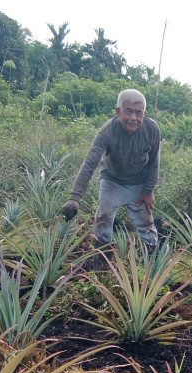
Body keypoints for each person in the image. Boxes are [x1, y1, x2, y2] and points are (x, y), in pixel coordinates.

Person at [61, 88, 160, 251]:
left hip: (139, 183)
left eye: (138, 113)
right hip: (112, 181)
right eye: (128, 111)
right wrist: (74, 198)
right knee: (103, 217)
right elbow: (89, 163)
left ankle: (151, 258)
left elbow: (154, 162)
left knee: (146, 223)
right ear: (118, 111)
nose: (133, 118)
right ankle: (102, 255)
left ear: (144, 113)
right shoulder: (107, 131)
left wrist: (148, 192)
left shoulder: (152, 129)